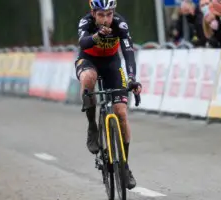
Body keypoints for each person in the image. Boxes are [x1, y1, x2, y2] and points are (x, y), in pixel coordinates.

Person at [75, 0, 142, 190]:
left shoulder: (120, 24)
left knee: (121, 113)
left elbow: (128, 52)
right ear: (93, 13)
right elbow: (83, 42)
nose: (106, 19)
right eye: (101, 15)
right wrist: (97, 36)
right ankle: (92, 127)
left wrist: (131, 79)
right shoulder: (85, 22)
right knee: (88, 78)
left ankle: (125, 167)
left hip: (112, 65)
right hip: (88, 61)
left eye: (109, 14)